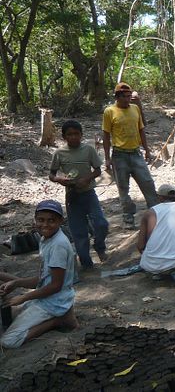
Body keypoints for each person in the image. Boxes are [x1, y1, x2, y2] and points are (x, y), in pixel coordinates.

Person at [0, 200, 79, 348]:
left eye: (51, 221)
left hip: (54, 301)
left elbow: (55, 286)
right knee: (13, 315)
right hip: (48, 297)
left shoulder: (58, 246)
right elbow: (43, 278)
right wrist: (16, 283)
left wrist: (23, 297)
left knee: (8, 341)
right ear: (35, 219)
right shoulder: (46, 239)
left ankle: (58, 321)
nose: (45, 225)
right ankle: (62, 315)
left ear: (60, 221)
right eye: (41, 220)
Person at [49, 120, 109, 269]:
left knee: (101, 223)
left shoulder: (88, 150)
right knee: (79, 232)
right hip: (72, 196)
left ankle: (100, 247)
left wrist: (86, 179)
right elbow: (51, 174)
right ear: (64, 137)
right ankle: (86, 263)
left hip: (89, 193)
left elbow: (97, 170)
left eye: (76, 134)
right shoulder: (59, 153)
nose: (73, 137)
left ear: (81, 135)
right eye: (69, 134)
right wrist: (59, 179)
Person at [102, 81, 158, 227]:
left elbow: (141, 130)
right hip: (119, 156)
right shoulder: (109, 112)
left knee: (148, 184)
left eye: (129, 96)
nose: (128, 99)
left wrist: (147, 150)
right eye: (125, 96)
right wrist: (107, 159)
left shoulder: (135, 109)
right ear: (117, 97)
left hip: (136, 153)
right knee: (123, 189)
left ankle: (156, 214)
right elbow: (106, 136)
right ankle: (128, 218)